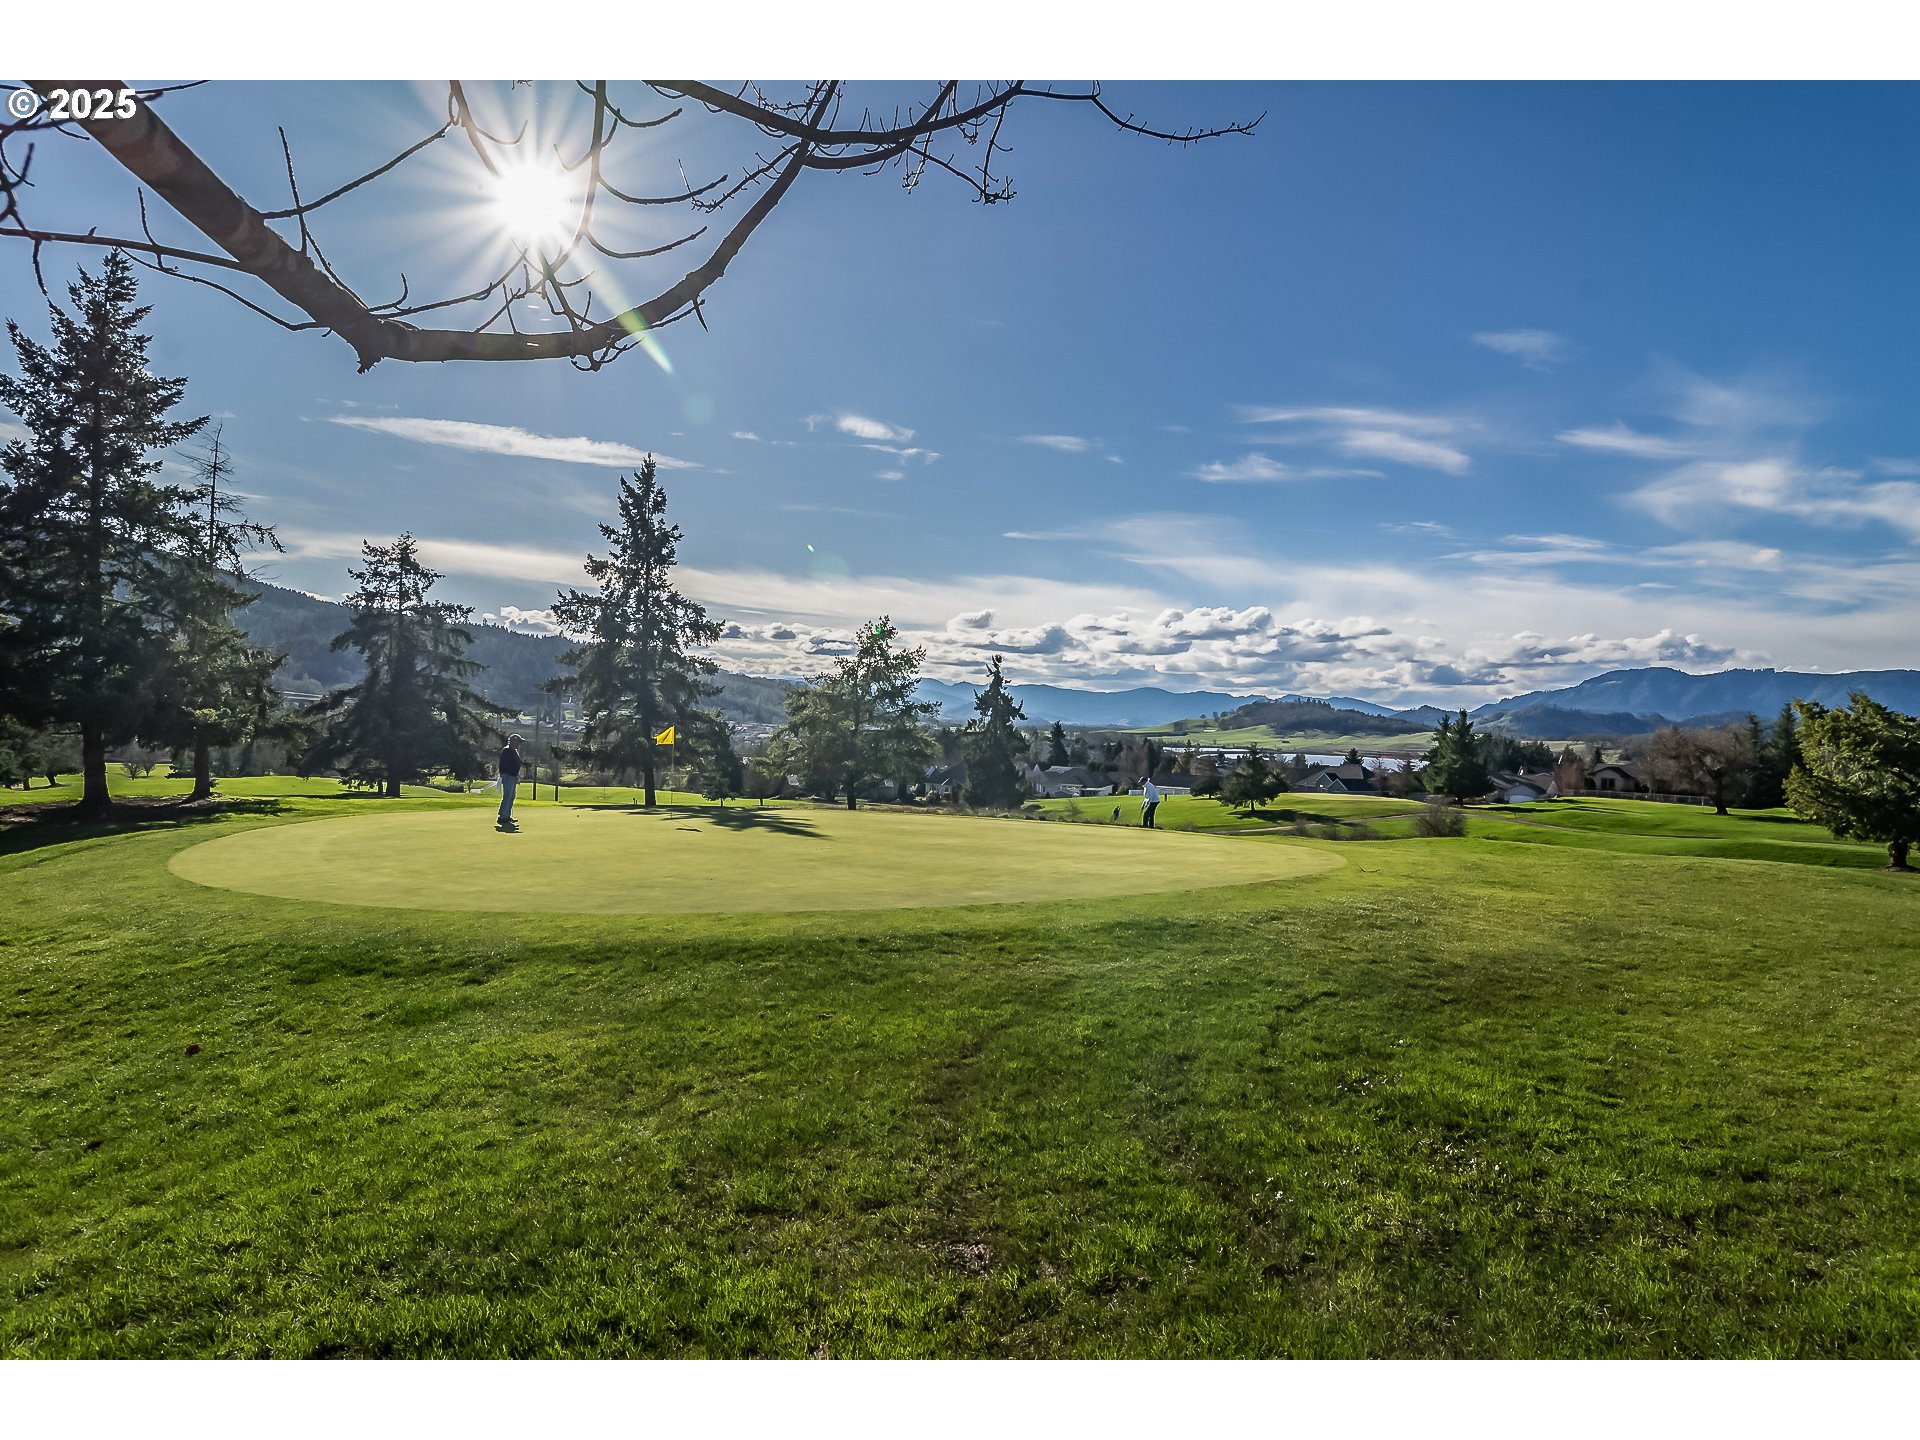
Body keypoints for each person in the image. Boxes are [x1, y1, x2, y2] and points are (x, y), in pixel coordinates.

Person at [497, 734, 523, 830]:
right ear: (513, 741)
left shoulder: (513, 751)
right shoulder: (507, 751)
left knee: (511, 796)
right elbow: (507, 766)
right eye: (518, 742)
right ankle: (503, 817)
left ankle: (506, 815)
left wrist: (516, 775)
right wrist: (514, 775)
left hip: (512, 776)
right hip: (508, 776)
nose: (519, 744)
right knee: (508, 796)